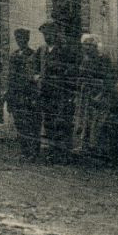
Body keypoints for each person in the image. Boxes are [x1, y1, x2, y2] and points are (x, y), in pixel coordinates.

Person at [72, 34, 118, 166]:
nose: (87, 48)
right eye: (85, 45)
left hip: (100, 97)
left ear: (96, 47)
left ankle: (101, 155)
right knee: (85, 123)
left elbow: (108, 79)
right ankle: (87, 152)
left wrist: (99, 94)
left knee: (99, 125)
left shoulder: (103, 59)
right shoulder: (84, 60)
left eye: (90, 45)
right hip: (86, 97)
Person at [37, 22, 79, 163]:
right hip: (46, 92)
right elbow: (34, 66)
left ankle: (63, 154)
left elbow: (72, 70)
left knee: (62, 122)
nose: (46, 37)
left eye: (49, 34)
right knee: (49, 122)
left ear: (55, 34)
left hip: (61, 93)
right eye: (44, 34)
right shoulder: (42, 50)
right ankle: (52, 152)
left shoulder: (65, 50)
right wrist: (36, 76)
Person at [3, 28, 42, 161]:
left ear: (27, 39)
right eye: (18, 39)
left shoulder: (34, 54)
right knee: (20, 124)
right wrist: (8, 95)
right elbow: (10, 77)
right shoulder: (13, 55)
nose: (20, 41)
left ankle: (34, 152)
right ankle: (25, 151)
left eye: (23, 39)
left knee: (32, 124)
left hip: (29, 95)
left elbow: (35, 76)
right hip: (16, 95)